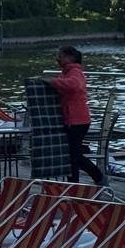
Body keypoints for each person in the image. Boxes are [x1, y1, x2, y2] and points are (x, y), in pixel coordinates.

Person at [46, 45, 104, 185]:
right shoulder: (66, 73)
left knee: (74, 155)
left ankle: (96, 178)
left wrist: (52, 82)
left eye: (61, 55)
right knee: (71, 154)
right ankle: (74, 183)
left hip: (78, 120)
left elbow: (74, 85)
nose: (58, 58)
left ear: (70, 57)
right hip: (72, 119)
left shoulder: (75, 72)